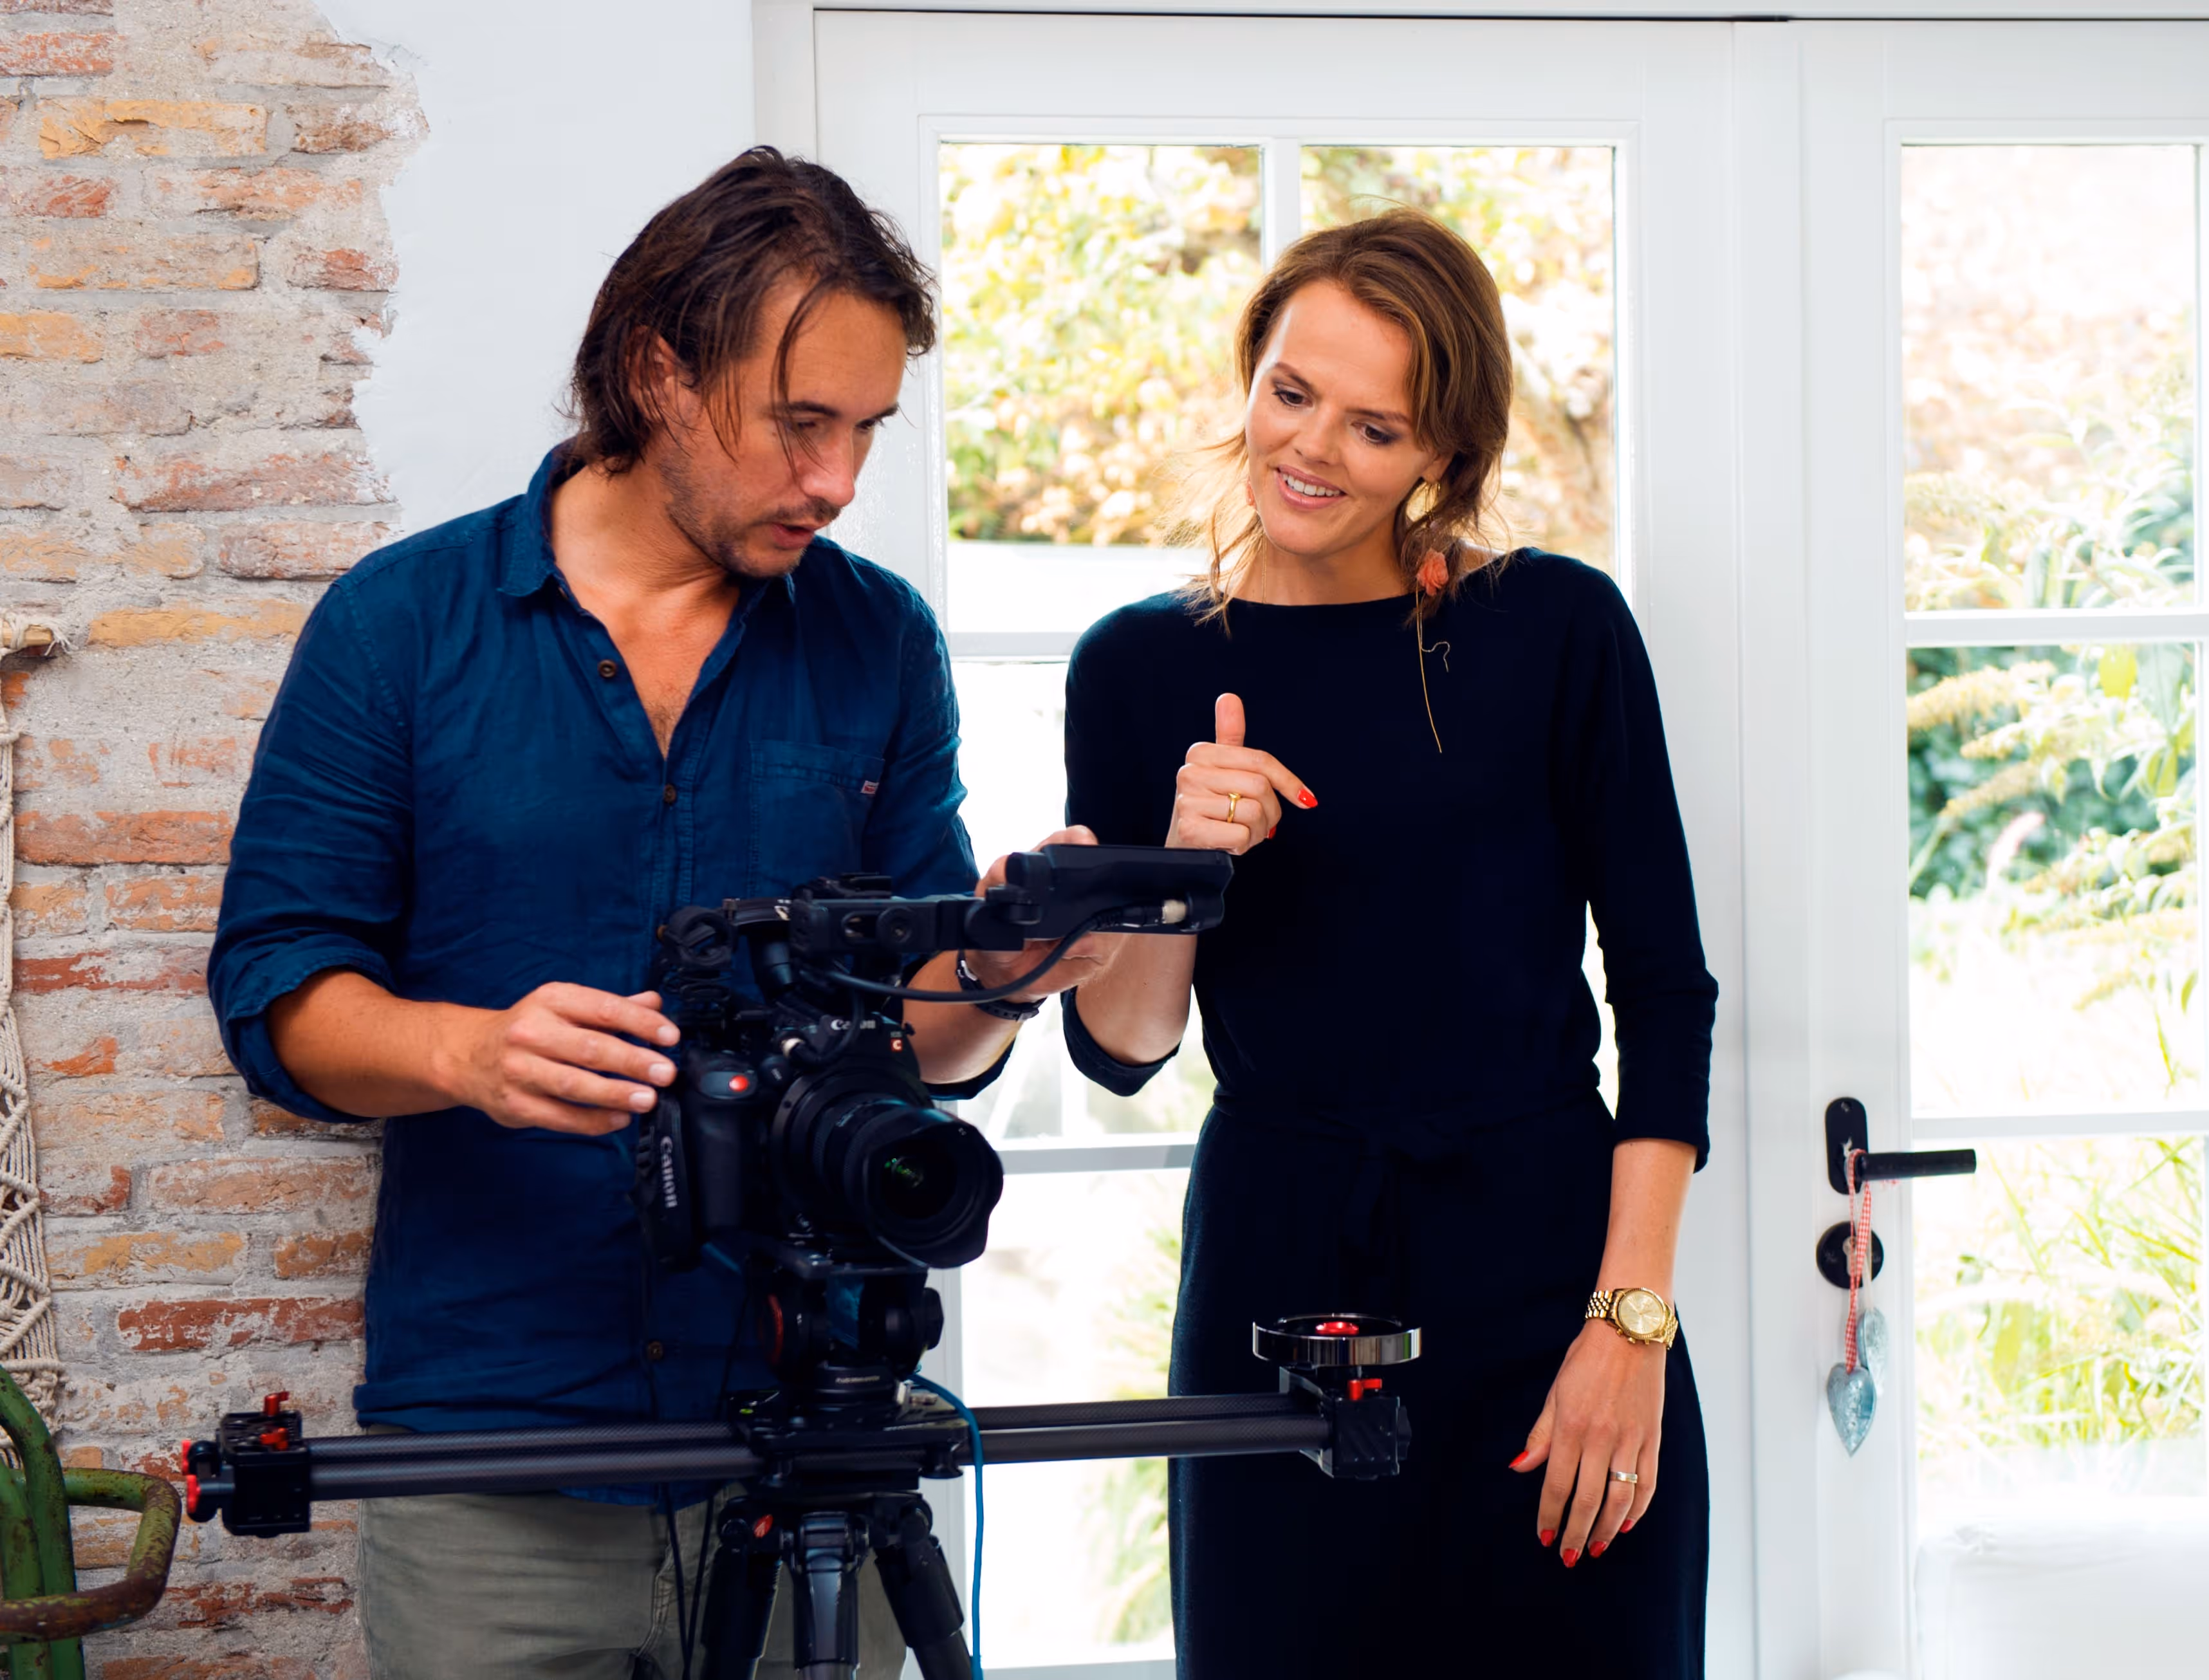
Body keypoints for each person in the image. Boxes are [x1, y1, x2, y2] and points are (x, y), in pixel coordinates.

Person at [207, 149, 1104, 1680]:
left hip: (815, 1437)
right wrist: (466, 1054)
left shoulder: (880, 640)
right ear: (656, 375)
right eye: (799, 423)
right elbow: (278, 996)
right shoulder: (398, 625)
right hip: (494, 1463)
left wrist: (1008, 969)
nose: (838, 481)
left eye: (866, 430)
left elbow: (922, 1044)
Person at [1059, 208, 1717, 1676]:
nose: (1312, 449)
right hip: (1280, 1273)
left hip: (1550, 1269)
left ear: (1443, 450)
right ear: (1251, 373)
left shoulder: (1556, 629)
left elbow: (1667, 994)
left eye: (1375, 426)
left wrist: (1630, 1329)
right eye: (1291, 393)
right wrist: (1180, 868)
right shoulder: (1139, 667)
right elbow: (1124, 1046)